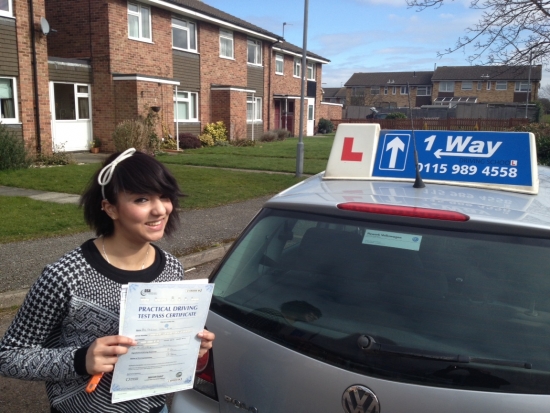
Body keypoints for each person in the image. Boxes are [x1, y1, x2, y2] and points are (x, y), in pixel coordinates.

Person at [0, 149, 215, 413]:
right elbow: (9, 355)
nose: (160, 209)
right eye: (142, 199)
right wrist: (81, 359)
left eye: (164, 196)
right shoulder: (65, 275)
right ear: (110, 208)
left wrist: (193, 349)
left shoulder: (171, 267)